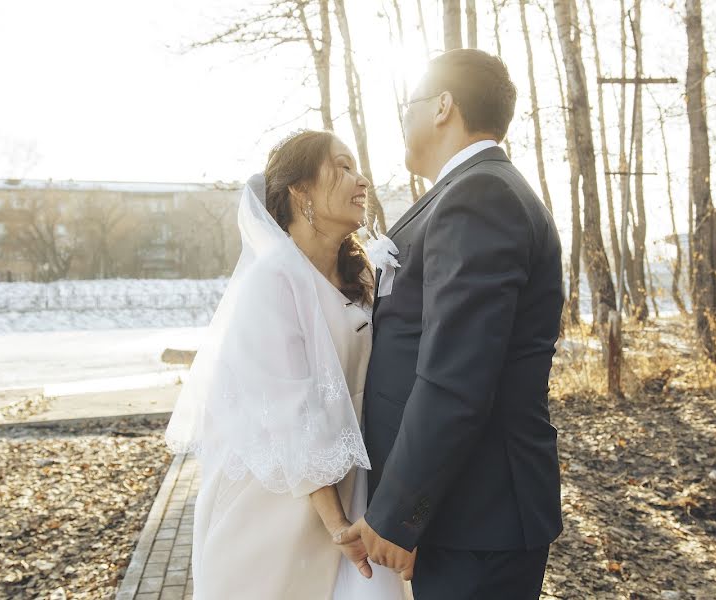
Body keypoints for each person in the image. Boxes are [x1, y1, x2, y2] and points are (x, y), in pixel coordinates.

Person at [339, 49, 565, 599]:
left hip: (479, 512)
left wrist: (398, 512)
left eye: (409, 104)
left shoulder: (480, 197)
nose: (404, 120)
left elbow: (456, 376)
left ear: (443, 106)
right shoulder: (463, 193)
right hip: (462, 510)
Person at [165, 130, 406, 599]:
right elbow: (291, 411)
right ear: (300, 190)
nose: (361, 181)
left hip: (354, 484)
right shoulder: (272, 280)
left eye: (357, 167)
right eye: (342, 166)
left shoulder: (362, 277)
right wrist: (338, 526)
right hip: (275, 504)